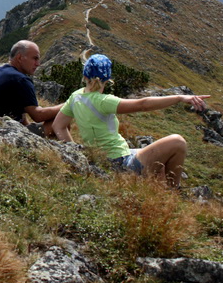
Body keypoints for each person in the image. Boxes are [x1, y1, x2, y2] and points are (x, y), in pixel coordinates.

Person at [52, 54, 209, 188]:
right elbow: (143, 105)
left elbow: (58, 125)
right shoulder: (103, 101)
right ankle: (173, 194)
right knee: (177, 142)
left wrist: (76, 151)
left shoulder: (76, 96)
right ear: (107, 79)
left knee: (158, 160)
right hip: (120, 164)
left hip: (103, 160)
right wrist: (180, 97)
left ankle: (158, 195)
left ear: (85, 76)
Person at [0, 40, 63, 134]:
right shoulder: (21, 80)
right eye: (35, 58)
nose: (38, 64)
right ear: (20, 57)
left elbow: (20, 111)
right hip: (4, 132)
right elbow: (38, 116)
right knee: (60, 121)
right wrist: (70, 104)